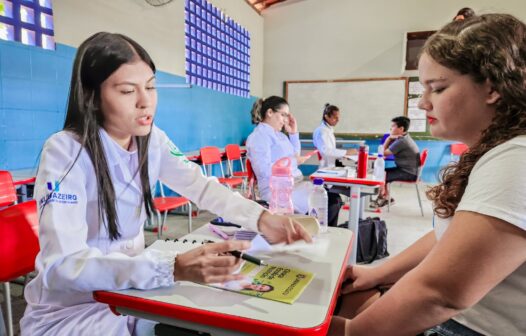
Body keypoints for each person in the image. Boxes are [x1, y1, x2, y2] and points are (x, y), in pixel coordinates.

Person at [20, 32, 312, 336]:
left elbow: (200, 185)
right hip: (75, 313)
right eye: (127, 90)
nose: (146, 102)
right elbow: (63, 266)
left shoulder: (151, 139)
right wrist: (171, 268)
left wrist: (263, 219)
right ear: (92, 97)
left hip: (133, 295)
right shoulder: (66, 151)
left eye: (150, 87)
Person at [329, 13, 526, 336]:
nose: (422, 104)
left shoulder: (517, 159)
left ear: (492, 87)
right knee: (347, 297)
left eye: (437, 89)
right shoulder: (495, 150)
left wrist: (351, 334)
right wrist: (378, 274)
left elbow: (442, 293)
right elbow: (448, 238)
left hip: (473, 328)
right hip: (463, 319)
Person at [246, 96, 342, 226]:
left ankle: (321, 235)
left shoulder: (279, 135)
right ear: (269, 113)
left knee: (334, 199)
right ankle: (315, 236)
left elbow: (294, 154)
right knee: (330, 203)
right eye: (283, 115)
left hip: (295, 184)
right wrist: (293, 161)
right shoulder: (258, 137)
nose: (286, 120)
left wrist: (293, 133)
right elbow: (263, 170)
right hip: (277, 191)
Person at [375, 116, 419, 207]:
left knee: (381, 175)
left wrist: (389, 139)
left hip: (409, 173)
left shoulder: (402, 141)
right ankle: (386, 198)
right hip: (409, 170)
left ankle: (384, 198)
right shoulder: (404, 137)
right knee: (383, 172)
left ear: (401, 128)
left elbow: (383, 153)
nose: (391, 128)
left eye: (393, 126)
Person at [313, 103, 356, 168]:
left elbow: (331, 151)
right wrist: (346, 152)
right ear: (326, 116)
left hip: (331, 165)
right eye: (335, 118)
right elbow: (326, 151)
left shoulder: (328, 130)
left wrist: (344, 155)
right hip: (326, 168)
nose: (338, 120)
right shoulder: (321, 131)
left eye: (338, 117)